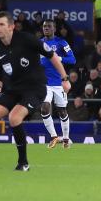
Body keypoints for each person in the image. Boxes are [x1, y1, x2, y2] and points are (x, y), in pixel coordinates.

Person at [0, 11, 71, 171]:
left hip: (34, 88)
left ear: (11, 27)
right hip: (13, 89)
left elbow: (52, 56)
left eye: (1, 24)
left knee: (14, 117)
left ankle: (23, 163)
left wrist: (64, 79)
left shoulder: (27, 39)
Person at [40, 19, 76, 149]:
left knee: (62, 111)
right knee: (44, 108)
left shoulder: (61, 43)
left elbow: (72, 60)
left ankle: (66, 138)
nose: (46, 28)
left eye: (49, 26)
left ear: (54, 29)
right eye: (44, 27)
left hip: (58, 83)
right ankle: (54, 136)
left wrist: (59, 58)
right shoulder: (39, 44)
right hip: (44, 83)